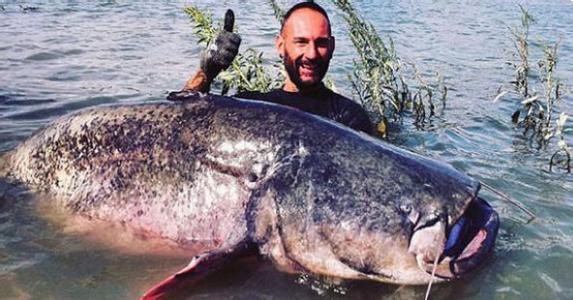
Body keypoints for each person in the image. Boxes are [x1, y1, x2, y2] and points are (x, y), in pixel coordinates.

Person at [180, 2, 373, 134]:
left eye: (321, 43)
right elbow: (184, 124)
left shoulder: (349, 118)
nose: (312, 54)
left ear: (332, 47)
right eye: (301, 42)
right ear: (280, 45)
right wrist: (207, 72)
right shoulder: (249, 105)